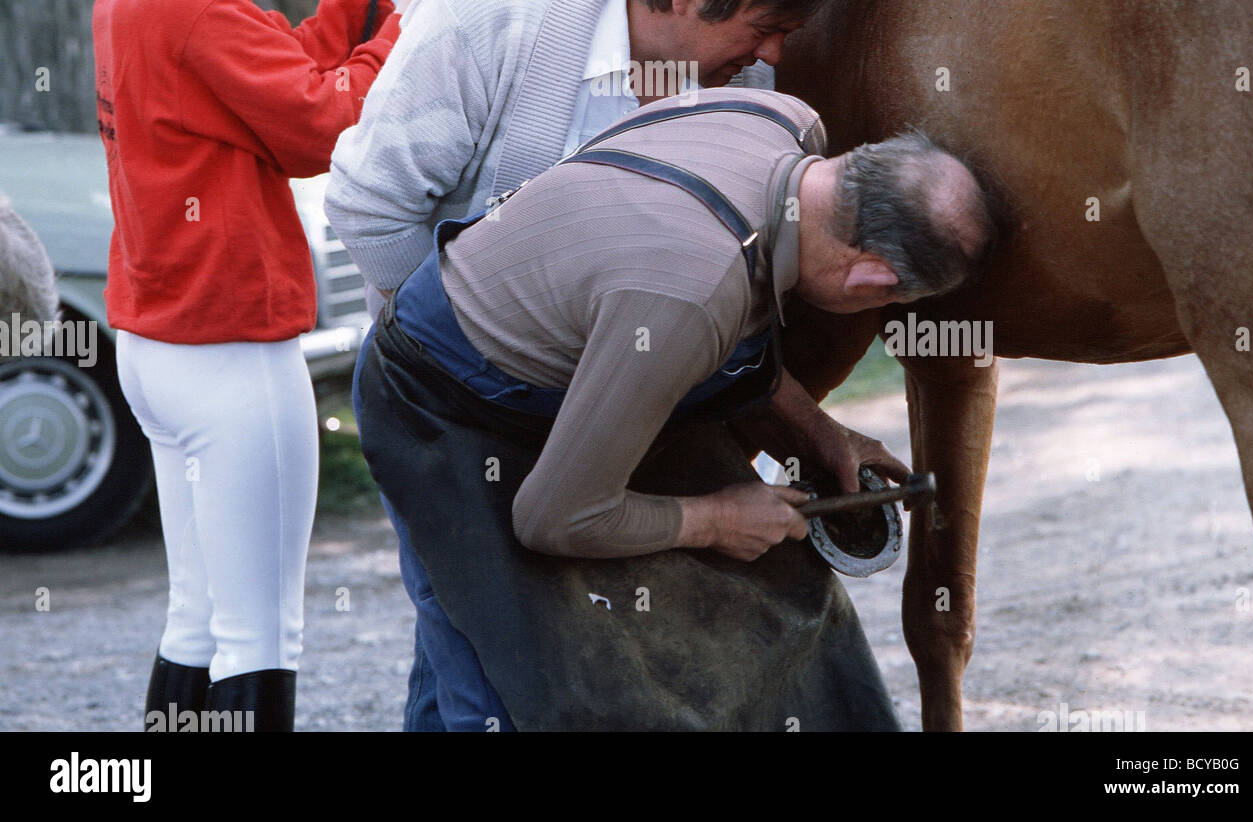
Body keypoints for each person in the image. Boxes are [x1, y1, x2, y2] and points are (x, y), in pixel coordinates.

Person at [325, 0, 843, 729]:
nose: (775, 55)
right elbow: (370, 206)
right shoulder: (496, 8)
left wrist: (814, 431)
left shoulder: (737, 82)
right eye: (764, 26)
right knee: (495, 665)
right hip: (438, 393)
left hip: (583, 396)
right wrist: (463, 353)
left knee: (471, 633)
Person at [355, 86, 999, 730]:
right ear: (872, 281)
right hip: (441, 400)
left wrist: (817, 431)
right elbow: (553, 516)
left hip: (600, 355)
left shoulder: (781, 121)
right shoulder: (690, 296)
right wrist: (714, 519)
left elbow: (710, 318)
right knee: (522, 688)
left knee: (783, 594)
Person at [92, 0, 426, 732]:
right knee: (261, 632)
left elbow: (289, 62)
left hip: (158, 348)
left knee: (198, 616)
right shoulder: (193, 3)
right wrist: (410, 19)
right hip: (232, 351)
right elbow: (322, 124)